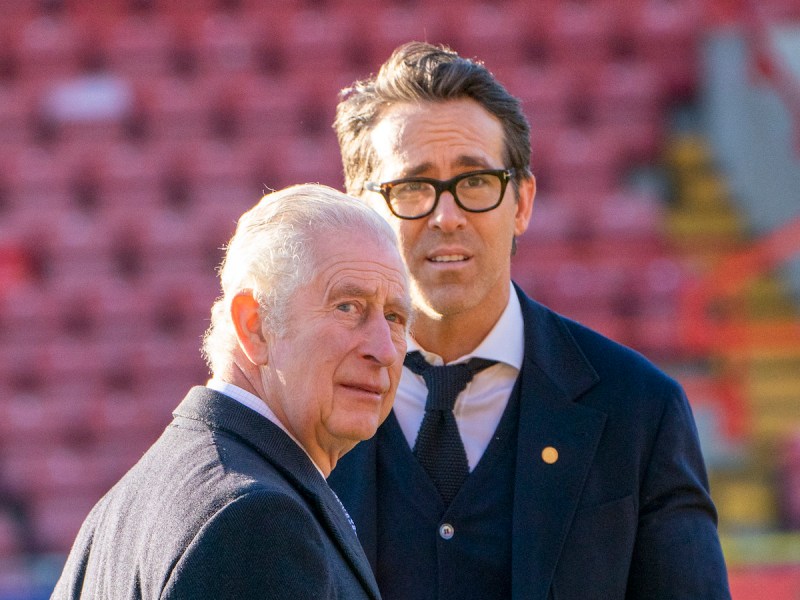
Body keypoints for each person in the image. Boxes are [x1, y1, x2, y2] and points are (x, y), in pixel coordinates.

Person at [327, 42, 731, 599]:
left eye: (474, 182)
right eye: (413, 187)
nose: (447, 217)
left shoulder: (640, 411)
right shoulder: (302, 407)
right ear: (361, 211)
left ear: (521, 203)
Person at [51, 184, 411, 599]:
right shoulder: (256, 522)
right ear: (254, 325)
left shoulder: (121, 508)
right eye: (348, 307)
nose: (384, 349)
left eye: (395, 317)